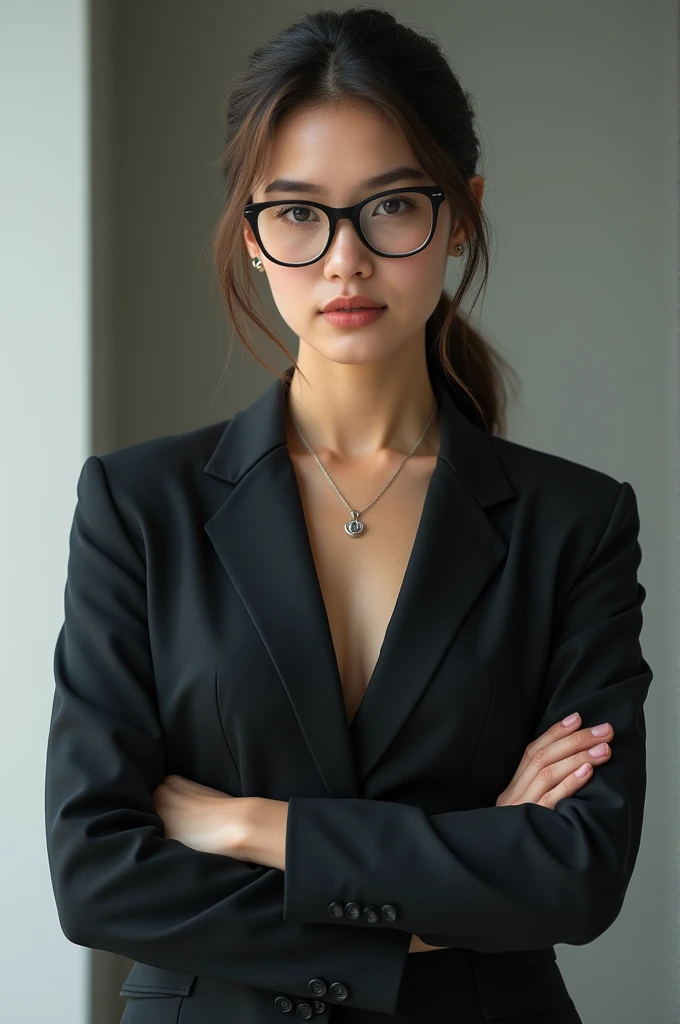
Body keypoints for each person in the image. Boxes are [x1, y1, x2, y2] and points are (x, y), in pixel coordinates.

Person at [44, 7, 652, 1023]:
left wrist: (248, 825)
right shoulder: (135, 503)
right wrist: (453, 878)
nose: (342, 260)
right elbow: (99, 876)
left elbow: (574, 874)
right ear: (249, 232)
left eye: (390, 207)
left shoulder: (574, 523)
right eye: (295, 212)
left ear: (459, 214)